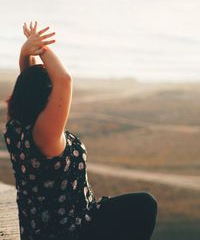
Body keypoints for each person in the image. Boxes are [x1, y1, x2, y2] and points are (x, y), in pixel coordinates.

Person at [3, 21, 157, 240]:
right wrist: (43, 47)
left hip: (42, 230)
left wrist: (26, 50)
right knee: (144, 204)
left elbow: (28, 80)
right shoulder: (46, 137)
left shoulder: (15, 125)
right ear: (45, 99)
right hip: (72, 231)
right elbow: (64, 80)